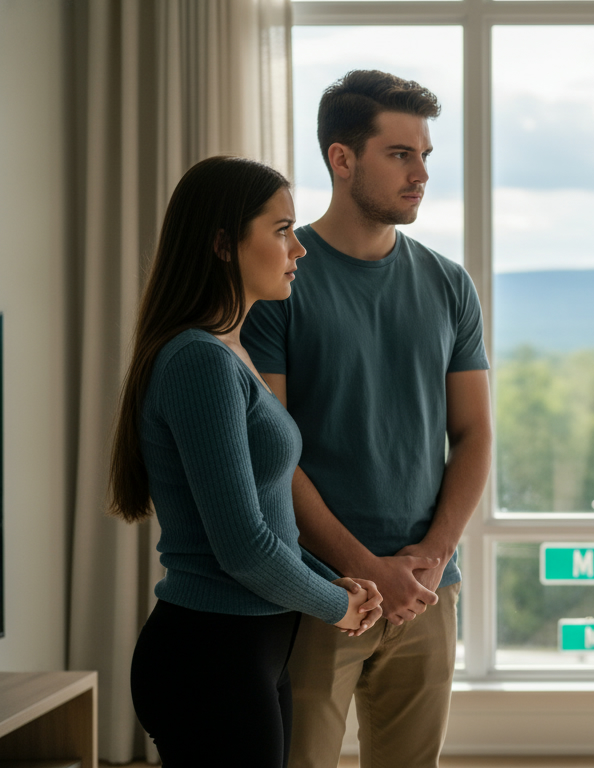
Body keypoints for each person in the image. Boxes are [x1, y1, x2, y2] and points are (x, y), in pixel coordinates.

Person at [241, 69, 492, 768]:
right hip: (320, 591)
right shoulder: (279, 282)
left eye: (425, 157)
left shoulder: (448, 284)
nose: (420, 175)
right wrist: (363, 568)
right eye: (400, 154)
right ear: (342, 159)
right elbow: (271, 453)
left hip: (425, 591)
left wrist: (431, 561)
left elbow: (473, 434)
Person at [109, 155, 392, 768]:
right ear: (222, 244)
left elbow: (269, 523)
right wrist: (337, 604)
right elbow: (242, 547)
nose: (300, 248)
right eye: (281, 229)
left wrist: (329, 580)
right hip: (211, 657)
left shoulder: (228, 352)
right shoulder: (199, 361)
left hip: (250, 652)